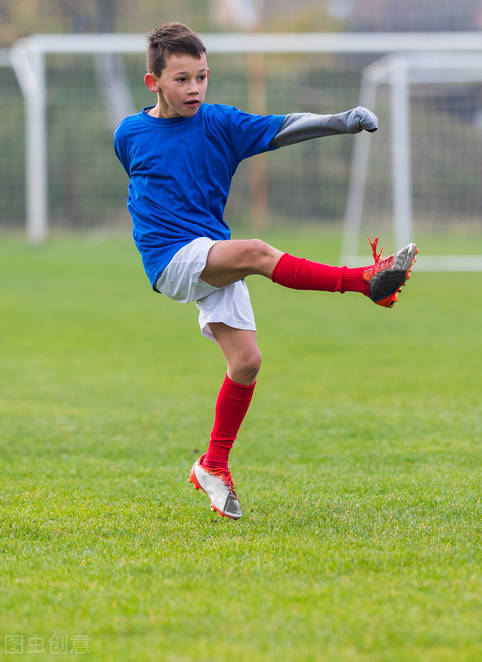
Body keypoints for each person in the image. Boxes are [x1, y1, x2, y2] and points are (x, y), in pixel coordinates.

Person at [113, 22, 417, 519]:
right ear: (154, 83)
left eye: (202, 77)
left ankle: (212, 465)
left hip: (211, 249)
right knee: (255, 251)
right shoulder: (129, 133)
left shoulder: (219, 123)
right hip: (169, 257)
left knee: (247, 363)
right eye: (181, 79)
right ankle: (364, 282)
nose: (194, 88)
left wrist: (340, 121)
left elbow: (283, 126)